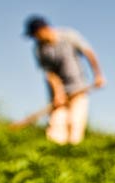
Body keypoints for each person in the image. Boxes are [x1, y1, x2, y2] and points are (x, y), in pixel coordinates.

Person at [24, 15, 106, 145]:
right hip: (58, 90)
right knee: (57, 123)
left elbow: (88, 53)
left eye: (35, 34)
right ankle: (54, 151)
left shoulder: (68, 36)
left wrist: (98, 75)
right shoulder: (40, 50)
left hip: (79, 86)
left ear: (42, 30)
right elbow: (50, 73)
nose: (35, 38)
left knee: (76, 121)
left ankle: (73, 151)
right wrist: (58, 93)